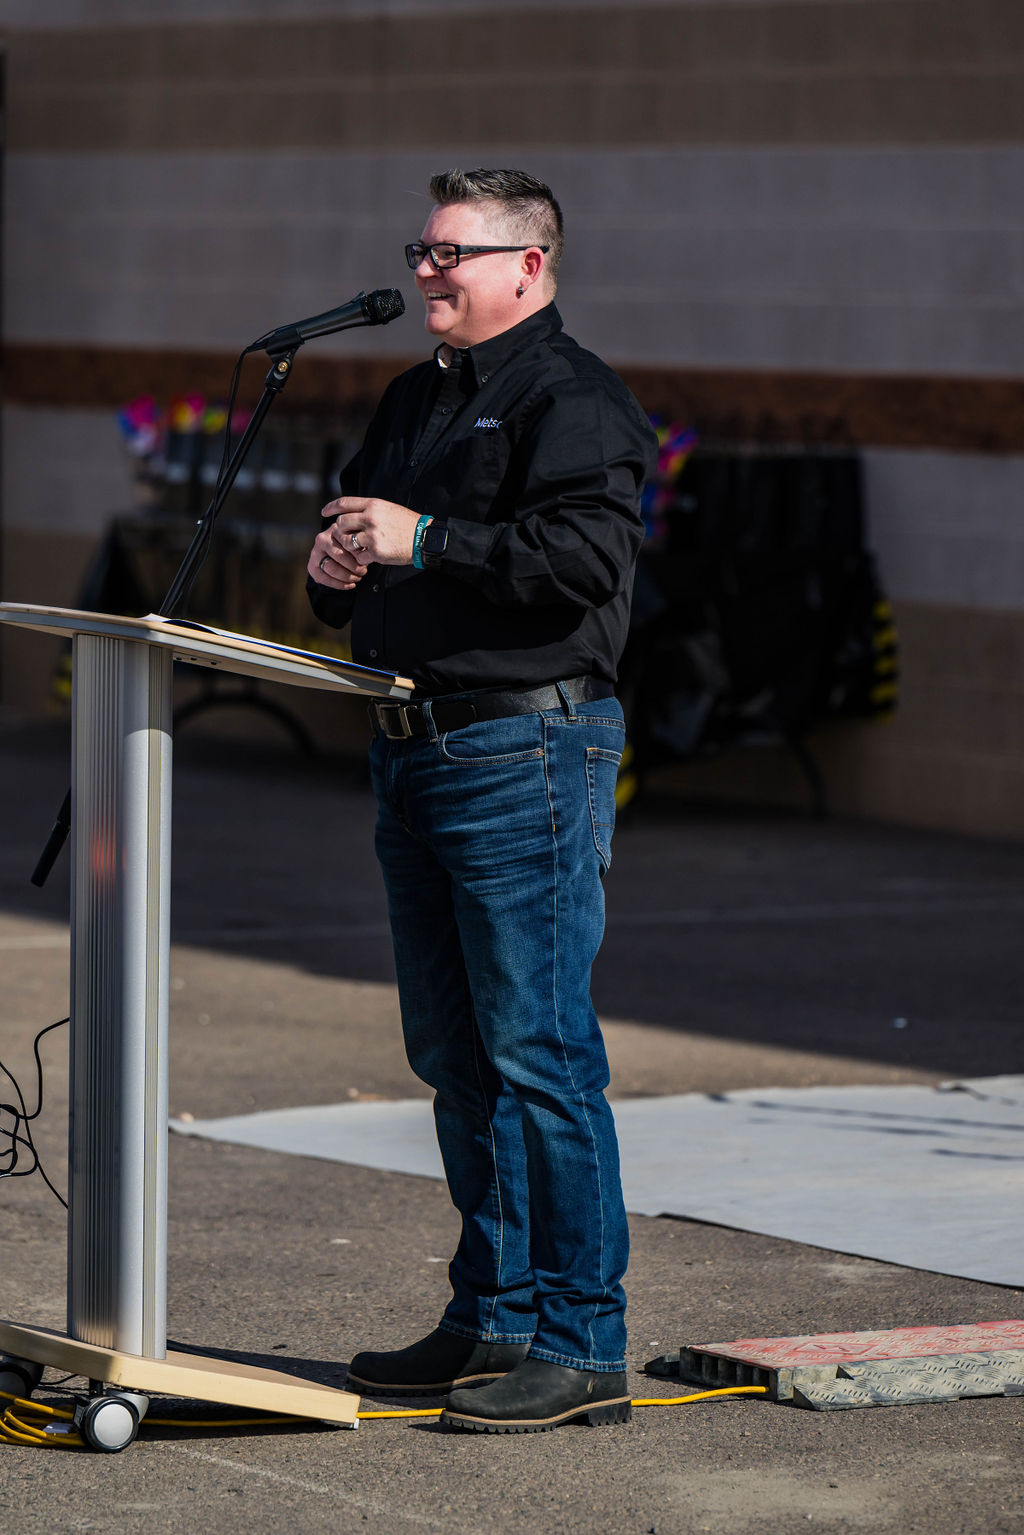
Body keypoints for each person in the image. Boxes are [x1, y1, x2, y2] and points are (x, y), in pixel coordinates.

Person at [306, 168, 656, 1434]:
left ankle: (583, 1341)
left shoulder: (578, 400)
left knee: (541, 1054)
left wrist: (426, 540)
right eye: (422, 246)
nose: (427, 272)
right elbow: (365, 550)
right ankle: (494, 1310)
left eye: (452, 252)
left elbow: (584, 566)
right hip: (414, 746)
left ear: (531, 265)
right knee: (453, 1056)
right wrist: (337, 564)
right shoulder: (413, 398)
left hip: (525, 752)